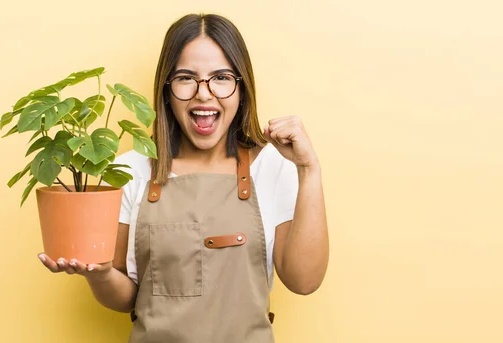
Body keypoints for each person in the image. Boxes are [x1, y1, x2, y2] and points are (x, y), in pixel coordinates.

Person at [38, 13, 329, 342]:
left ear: (241, 87)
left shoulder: (272, 167)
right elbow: (124, 299)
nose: (203, 94)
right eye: (186, 78)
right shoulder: (130, 171)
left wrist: (309, 169)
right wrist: (100, 275)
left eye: (220, 77)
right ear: (166, 88)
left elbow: (304, 282)